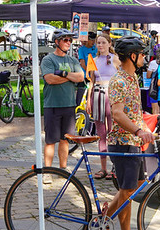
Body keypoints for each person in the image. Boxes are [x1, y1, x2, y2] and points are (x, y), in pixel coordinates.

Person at [105, 36, 154, 230]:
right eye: (142, 54)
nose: (145, 57)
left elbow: (134, 111)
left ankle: (105, 217)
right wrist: (138, 130)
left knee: (137, 184)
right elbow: (117, 114)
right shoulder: (119, 80)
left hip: (134, 140)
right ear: (132, 56)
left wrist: (152, 123)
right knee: (127, 190)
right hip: (123, 141)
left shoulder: (132, 77)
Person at [40, 29, 84, 171]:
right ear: (57, 42)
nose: (68, 43)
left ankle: (63, 169)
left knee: (65, 139)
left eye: (70, 40)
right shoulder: (48, 59)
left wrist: (63, 73)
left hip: (69, 105)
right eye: (65, 40)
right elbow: (50, 79)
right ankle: (47, 171)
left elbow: (80, 77)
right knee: (51, 140)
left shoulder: (73, 60)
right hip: (52, 105)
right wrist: (69, 77)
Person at [88, 33, 120, 180]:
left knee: (113, 131)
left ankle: (115, 166)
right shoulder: (93, 60)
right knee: (101, 133)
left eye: (103, 42)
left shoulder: (115, 59)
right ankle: (103, 167)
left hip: (112, 95)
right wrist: (89, 100)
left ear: (109, 44)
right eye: (98, 43)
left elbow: (121, 77)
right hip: (97, 94)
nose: (100, 45)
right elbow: (91, 81)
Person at [76, 31, 97, 105]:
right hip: (85, 75)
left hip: (95, 75)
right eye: (91, 40)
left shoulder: (96, 49)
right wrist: (89, 73)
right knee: (82, 95)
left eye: (94, 40)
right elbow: (82, 63)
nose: (93, 42)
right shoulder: (82, 49)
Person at [146, 49, 160, 114]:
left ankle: (156, 123)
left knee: (155, 109)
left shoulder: (153, 63)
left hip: (154, 88)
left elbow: (148, 76)